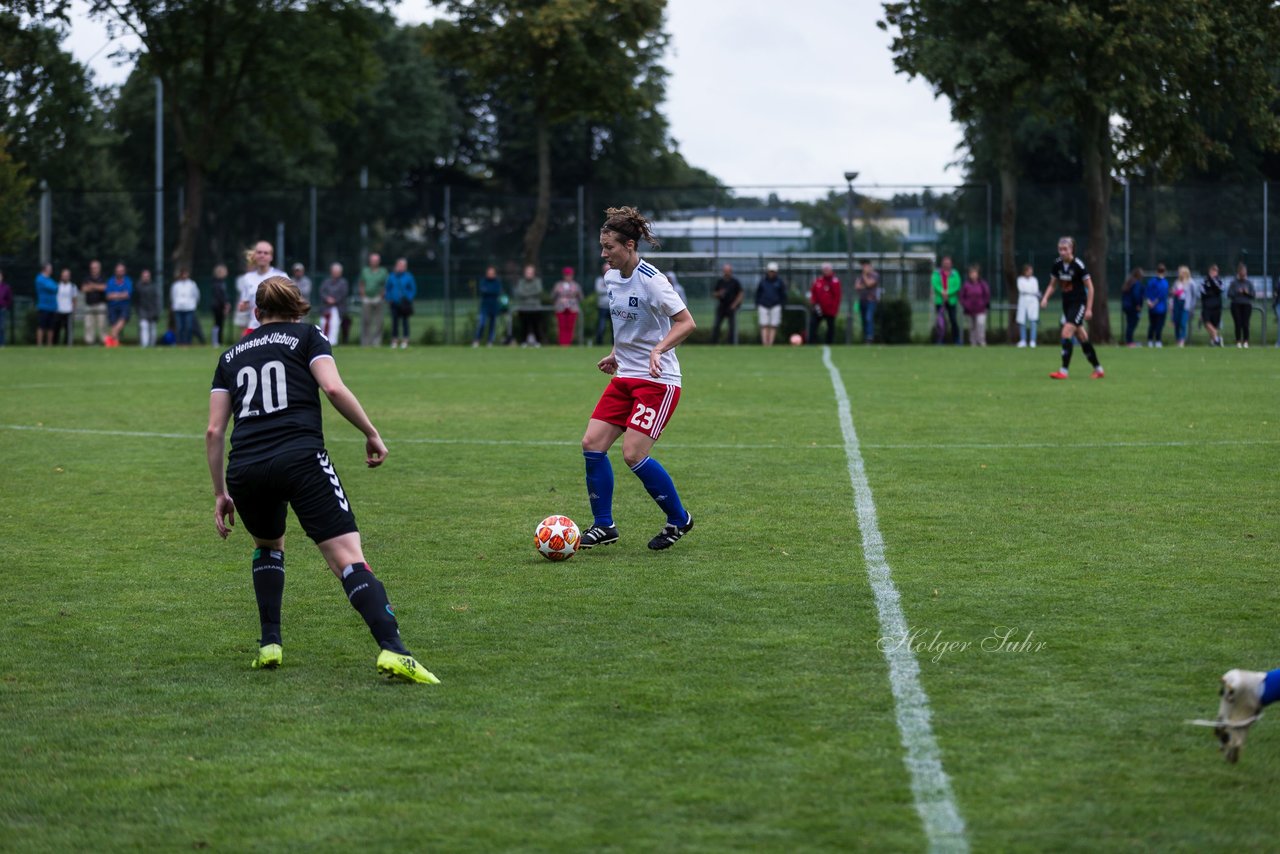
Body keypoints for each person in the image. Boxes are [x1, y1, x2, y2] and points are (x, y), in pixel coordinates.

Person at [206, 275, 439, 684]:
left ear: (256, 312)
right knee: (348, 558)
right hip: (300, 458)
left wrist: (221, 493)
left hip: (245, 468)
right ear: (298, 307)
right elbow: (332, 388)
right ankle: (394, 651)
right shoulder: (307, 336)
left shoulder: (230, 356)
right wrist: (370, 431)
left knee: (268, 546)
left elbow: (213, 431)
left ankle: (270, 644)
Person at [579, 206, 696, 552]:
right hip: (625, 377)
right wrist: (617, 353)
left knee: (632, 453)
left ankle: (679, 519)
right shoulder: (611, 277)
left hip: (657, 383)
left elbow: (686, 323)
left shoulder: (653, 281)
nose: (604, 254)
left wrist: (658, 350)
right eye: (602, 247)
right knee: (592, 444)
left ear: (629, 245)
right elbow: (625, 322)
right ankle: (604, 526)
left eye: (609, 247)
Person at [1041, 236, 1104, 379]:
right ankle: (1098, 369)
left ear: (1072, 250)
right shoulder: (1057, 264)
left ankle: (1063, 371)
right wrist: (1045, 298)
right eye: (1060, 249)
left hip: (1079, 304)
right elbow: (1053, 284)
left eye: (1065, 249)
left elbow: (1090, 287)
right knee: (1082, 337)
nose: (1062, 252)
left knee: (1066, 332)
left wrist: (1088, 309)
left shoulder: (1079, 265)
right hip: (1067, 305)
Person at [237, 241, 286, 337]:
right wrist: (243, 306)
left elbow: (290, 302)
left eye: (266, 253)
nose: (262, 255)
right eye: (259, 252)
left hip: (276, 328)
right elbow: (245, 303)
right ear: (254, 255)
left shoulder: (281, 276)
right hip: (254, 327)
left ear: (271, 257)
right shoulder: (247, 278)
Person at [384, 257, 417, 349]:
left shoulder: (409, 277)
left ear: (405, 267)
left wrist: (408, 298)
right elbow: (388, 288)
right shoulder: (391, 276)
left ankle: (405, 340)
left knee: (405, 322)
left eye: (402, 265)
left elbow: (413, 289)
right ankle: (394, 340)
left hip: (405, 303)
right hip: (394, 303)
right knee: (394, 322)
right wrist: (388, 298)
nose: (400, 267)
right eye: (399, 265)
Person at [358, 252, 388, 347]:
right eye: (372, 260)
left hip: (378, 298)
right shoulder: (365, 271)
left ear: (379, 261)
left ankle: (376, 342)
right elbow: (361, 283)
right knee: (366, 321)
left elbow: (386, 285)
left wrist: (382, 295)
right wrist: (363, 295)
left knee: (379, 322)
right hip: (367, 298)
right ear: (370, 261)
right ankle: (365, 343)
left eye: (376, 260)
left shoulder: (383, 271)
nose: (374, 262)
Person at [808, 262, 841, 345]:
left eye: (827, 269)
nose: (826, 271)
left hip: (830, 310)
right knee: (813, 325)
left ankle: (829, 343)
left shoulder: (835, 281)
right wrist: (814, 304)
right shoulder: (818, 281)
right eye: (824, 269)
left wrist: (834, 309)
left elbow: (837, 296)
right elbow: (813, 293)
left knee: (830, 327)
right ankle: (812, 343)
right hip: (819, 309)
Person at [755, 261, 787, 347]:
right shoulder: (762, 281)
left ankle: (770, 343)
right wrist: (758, 303)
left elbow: (783, 294)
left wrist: (782, 304)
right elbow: (758, 293)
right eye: (770, 271)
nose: (771, 273)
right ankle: (765, 343)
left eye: (773, 271)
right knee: (764, 324)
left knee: (773, 325)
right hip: (763, 304)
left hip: (775, 305)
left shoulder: (780, 282)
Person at [710, 263, 743, 345]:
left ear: (730, 271)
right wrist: (719, 293)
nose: (726, 272)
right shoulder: (720, 281)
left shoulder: (735, 282)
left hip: (731, 307)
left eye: (728, 271)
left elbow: (740, 293)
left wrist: (735, 304)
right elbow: (714, 293)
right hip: (722, 306)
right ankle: (714, 343)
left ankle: (731, 343)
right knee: (717, 325)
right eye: (725, 271)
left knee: (732, 327)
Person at [931, 256, 961, 344]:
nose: (947, 264)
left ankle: (956, 339)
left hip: (951, 300)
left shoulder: (955, 274)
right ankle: (940, 340)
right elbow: (935, 284)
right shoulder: (936, 273)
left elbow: (957, 286)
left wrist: (948, 293)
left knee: (953, 320)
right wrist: (942, 292)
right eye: (945, 263)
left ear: (951, 264)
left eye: (948, 263)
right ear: (942, 264)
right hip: (940, 300)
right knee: (941, 321)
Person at [959, 263, 990, 346]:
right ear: (969, 275)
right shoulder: (966, 285)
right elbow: (961, 297)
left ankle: (982, 341)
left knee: (980, 325)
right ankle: (973, 343)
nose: (973, 275)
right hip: (969, 310)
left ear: (978, 274)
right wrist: (966, 305)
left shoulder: (982, 284)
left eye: (975, 273)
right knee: (972, 327)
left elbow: (987, 295)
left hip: (981, 309)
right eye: (971, 273)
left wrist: (983, 304)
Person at [513, 264, 545, 347]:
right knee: (524, 326)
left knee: (536, 325)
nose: (529, 274)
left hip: (535, 307)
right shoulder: (521, 282)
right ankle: (523, 342)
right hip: (524, 307)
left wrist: (526, 294)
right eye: (527, 272)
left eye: (530, 272)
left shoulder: (537, 281)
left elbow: (538, 291)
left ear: (533, 273)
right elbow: (520, 292)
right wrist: (531, 294)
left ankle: (538, 342)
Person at [552, 266, 584, 347]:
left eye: (569, 275)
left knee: (570, 326)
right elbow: (552, 296)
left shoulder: (576, 285)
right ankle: (562, 343)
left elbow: (581, 297)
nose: (568, 277)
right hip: (561, 307)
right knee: (561, 326)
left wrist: (573, 297)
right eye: (566, 275)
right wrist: (560, 299)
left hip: (572, 308)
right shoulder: (558, 285)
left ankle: (568, 343)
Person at [472, 265, 503, 347]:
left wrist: (488, 291)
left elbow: (497, 291)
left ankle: (490, 341)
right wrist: (490, 291)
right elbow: (483, 290)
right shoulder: (483, 281)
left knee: (492, 324)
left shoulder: (497, 282)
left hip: (494, 306)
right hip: (484, 306)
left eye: (492, 273)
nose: (490, 274)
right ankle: (477, 339)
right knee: (482, 323)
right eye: (489, 273)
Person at [319, 263, 349, 346]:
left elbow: (343, 294)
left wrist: (334, 300)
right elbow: (322, 292)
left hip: (338, 307)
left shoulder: (343, 283)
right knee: (323, 323)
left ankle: (333, 343)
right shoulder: (326, 282)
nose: (335, 273)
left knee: (334, 325)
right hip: (326, 307)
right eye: (334, 271)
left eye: (337, 271)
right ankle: (323, 342)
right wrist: (327, 299)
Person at [104, 262, 133, 347]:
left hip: (124, 306)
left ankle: (108, 338)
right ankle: (115, 343)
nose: (120, 272)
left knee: (122, 320)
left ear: (124, 272)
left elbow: (127, 295)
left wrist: (115, 295)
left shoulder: (128, 281)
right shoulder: (110, 281)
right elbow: (108, 296)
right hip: (112, 306)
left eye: (122, 271)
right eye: (118, 271)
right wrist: (121, 295)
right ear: (115, 271)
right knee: (113, 324)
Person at [1227, 262, 1255, 348]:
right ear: (1238, 272)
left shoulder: (1249, 283)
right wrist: (1237, 292)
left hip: (1246, 305)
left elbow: (1253, 295)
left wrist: (1247, 293)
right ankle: (1238, 341)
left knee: (1245, 323)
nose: (1243, 273)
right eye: (1241, 271)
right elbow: (1229, 294)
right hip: (1236, 305)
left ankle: (1246, 341)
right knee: (1238, 323)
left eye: (1244, 271)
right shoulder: (1234, 283)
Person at [81, 259, 108, 345]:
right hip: (89, 305)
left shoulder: (103, 277)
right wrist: (97, 287)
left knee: (102, 325)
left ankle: (103, 341)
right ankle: (89, 342)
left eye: (96, 267)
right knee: (88, 325)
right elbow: (84, 289)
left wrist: (92, 286)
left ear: (99, 268)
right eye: (92, 268)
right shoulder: (87, 278)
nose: (94, 269)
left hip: (101, 305)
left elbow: (104, 288)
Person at [171, 267, 201, 345]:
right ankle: (180, 343)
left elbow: (196, 295)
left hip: (189, 308)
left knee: (189, 327)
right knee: (179, 327)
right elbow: (173, 296)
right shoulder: (176, 285)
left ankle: (188, 343)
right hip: (178, 309)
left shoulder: (192, 284)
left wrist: (193, 304)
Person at [853, 259, 880, 344]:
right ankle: (865, 337)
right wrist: (864, 285)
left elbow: (869, 284)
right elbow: (857, 287)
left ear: (869, 266)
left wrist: (864, 276)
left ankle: (870, 337)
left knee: (869, 317)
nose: (863, 268)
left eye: (865, 266)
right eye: (862, 266)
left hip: (871, 301)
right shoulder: (859, 277)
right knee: (864, 319)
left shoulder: (874, 275)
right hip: (862, 300)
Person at [1015, 263, 1041, 348]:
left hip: (1033, 302)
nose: (1030, 272)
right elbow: (1022, 290)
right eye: (1029, 270)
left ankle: (1032, 341)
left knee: (1033, 321)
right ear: (1025, 271)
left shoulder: (1034, 280)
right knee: (1022, 321)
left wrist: (1032, 293)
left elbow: (1036, 290)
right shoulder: (1020, 279)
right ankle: (1023, 340)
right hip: (1023, 302)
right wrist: (1032, 292)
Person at [1144, 263, 1169, 348]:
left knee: (1152, 324)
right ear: (1164, 272)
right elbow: (1161, 296)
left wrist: (1149, 302)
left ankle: (1150, 340)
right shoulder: (1165, 282)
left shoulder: (1151, 281)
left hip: (1152, 307)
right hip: (1160, 308)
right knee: (1159, 325)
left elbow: (1147, 292)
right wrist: (1154, 303)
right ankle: (1158, 340)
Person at [1119, 267, 1145, 347]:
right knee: (1132, 324)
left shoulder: (1129, 282)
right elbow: (1136, 295)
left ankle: (1129, 340)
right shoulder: (1136, 284)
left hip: (1127, 306)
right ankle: (1129, 341)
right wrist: (1138, 305)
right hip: (1133, 307)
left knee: (1130, 324)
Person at [1200, 264, 1225, 347]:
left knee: (1215, 324)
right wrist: (1211, 292)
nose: (1214, 273)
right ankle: (1216, 338)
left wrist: (1212, 281)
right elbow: (1203, 292)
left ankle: (1214, 341)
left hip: (1216, 306)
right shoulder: (1204, 281)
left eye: (1215, 271)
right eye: (1212, 271)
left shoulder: (1219, 281)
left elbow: (1219, 290)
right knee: (1206, 322)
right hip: (1207, 306)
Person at [35, 263, 59, 347]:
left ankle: (49, 344)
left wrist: (54, 287)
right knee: (41, 326)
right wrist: (54, 287)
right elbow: (52, 287)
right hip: (43, 307)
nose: (51, 270)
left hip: (52, 307)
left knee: (51, 327)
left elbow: (56, 288)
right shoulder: (39, 279)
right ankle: (39, 344)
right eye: (50, 268)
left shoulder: (50, 279)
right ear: (45, 269)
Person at [135, 269, 160, 348]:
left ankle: (152, 345)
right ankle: (144, 345)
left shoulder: (153, 287)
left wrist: (156, 311)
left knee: (152, 329)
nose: (146, 278)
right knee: (144, 326)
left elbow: (156, 300)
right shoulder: (138, 287)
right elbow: (136, 300)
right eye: (144, 276)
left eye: (147, 276)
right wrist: (138, 311)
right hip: (143, 310)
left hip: (152, 311)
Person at [1171, 265, 1194, 347]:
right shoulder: (1176, 282)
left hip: (1185, 305)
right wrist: (1174, 292)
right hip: (1177, 303)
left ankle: (1182, 340)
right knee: (1176, 323)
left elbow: (1193, 295)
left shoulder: (1190, 282)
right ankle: (1177, 339)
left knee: (1183, 323)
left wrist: (1192, 306)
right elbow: (1172, 293)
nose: (1180, 274)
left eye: (1181, 272)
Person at [210, 264, 231, 347]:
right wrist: (225, 304)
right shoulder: (217, 283)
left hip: (220, 305)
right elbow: (220, 296)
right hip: (217, 306)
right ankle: (215, 341)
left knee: (220, 324)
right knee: (217, 324)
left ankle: (219, 341)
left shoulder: (221, 282)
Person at [55, 267, 77, 346]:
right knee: (56, 329)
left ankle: (67, 344)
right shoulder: (57, 286)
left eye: (67, 276)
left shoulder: (72, 286)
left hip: (68, 311)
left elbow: (74, 299)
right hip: (58, 310)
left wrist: (73, 310)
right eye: (64, 276)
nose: (65, 277)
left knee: (68, 330)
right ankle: (55, 344)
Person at [592, 261, 612, 345]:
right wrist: (610, 289)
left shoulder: (614, 279)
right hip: (602, 307)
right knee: (601, 327)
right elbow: (599, 290)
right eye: (605, 269)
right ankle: (599, 344)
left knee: (615, 328)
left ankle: (615, 345)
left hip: (612, 307)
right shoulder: (599, 280)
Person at [0, 268, 11, 347]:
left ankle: (2, 343)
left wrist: (5, 305)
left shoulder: (6, 287)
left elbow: (9, 299)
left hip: (2, 309)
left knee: (2, 326)